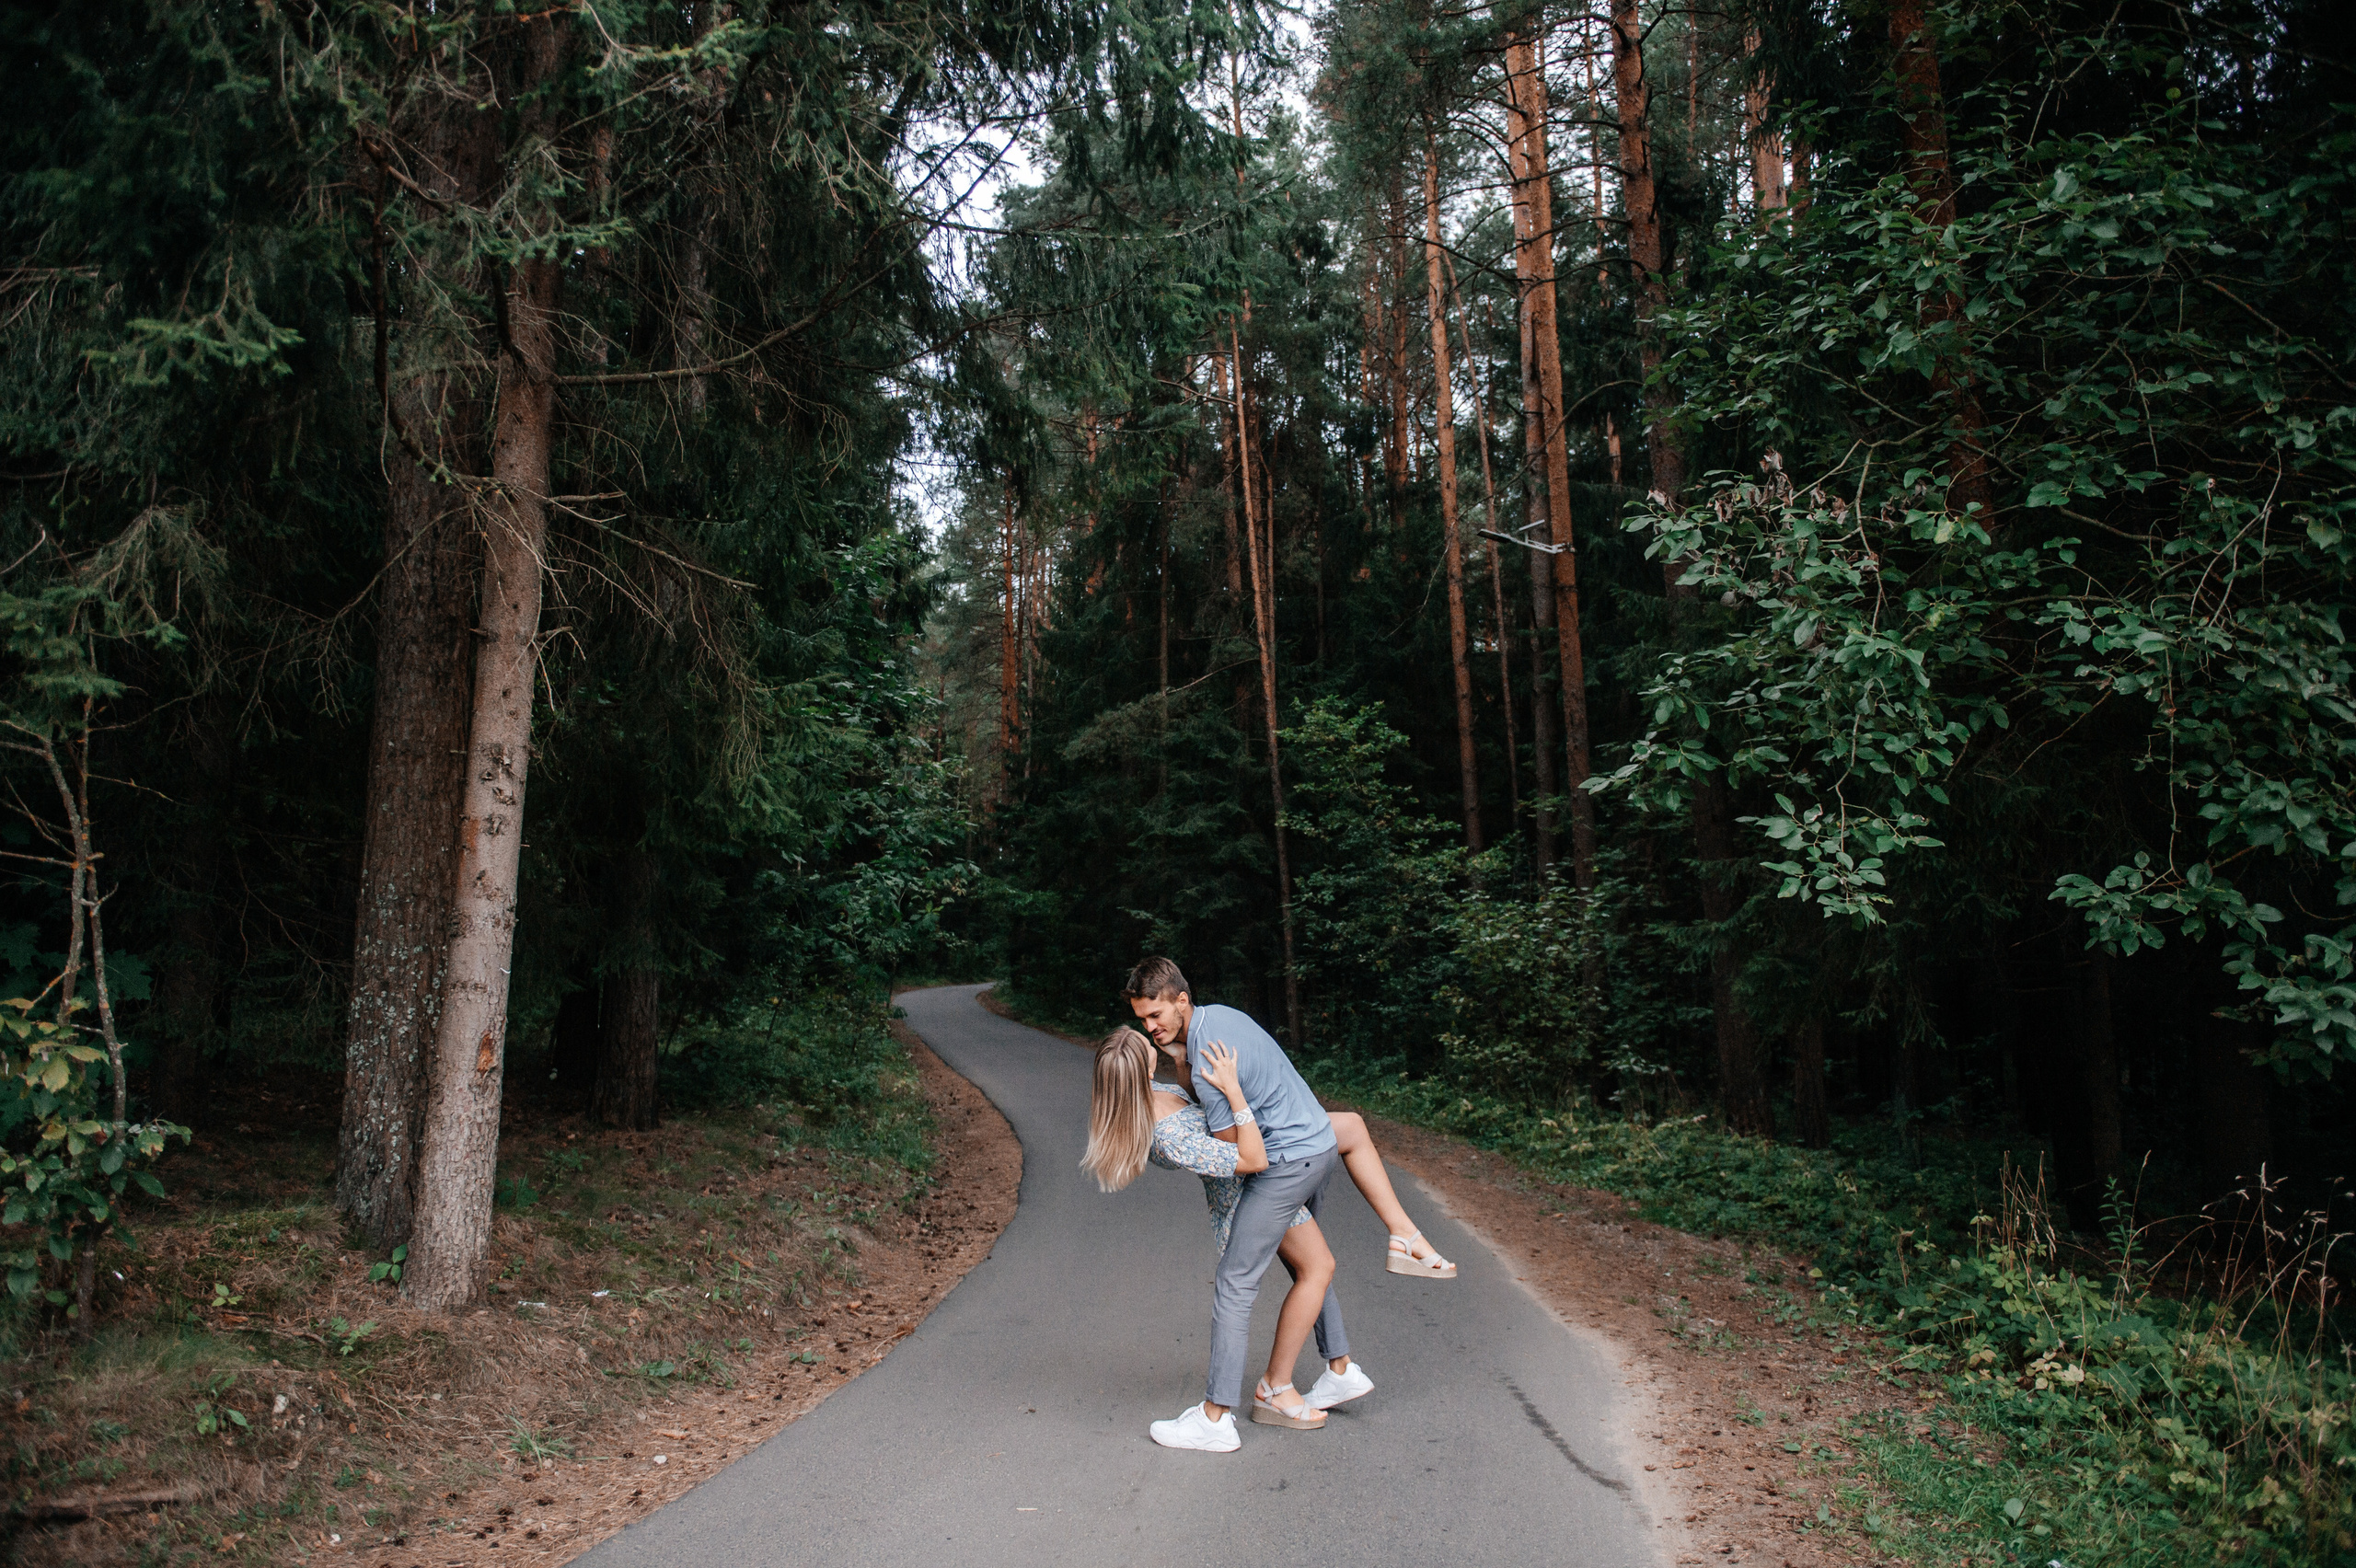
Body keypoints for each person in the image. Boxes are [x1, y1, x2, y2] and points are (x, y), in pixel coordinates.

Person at [1083, 1029, 1343, 1434]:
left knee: (1318, 1267)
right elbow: (1252, 1158)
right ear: (1143, 1065)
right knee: (1291, 1276)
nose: (1153, 1038)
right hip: (1250, 1201)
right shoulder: (1168, 1134)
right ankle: (1271, 1391)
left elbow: (1202, 1105)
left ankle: (1304, 1379)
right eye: (1147, 1042)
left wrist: (1185, 1062)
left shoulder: (1156, 1092)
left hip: (1267, 1190)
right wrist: (1235, 1093)